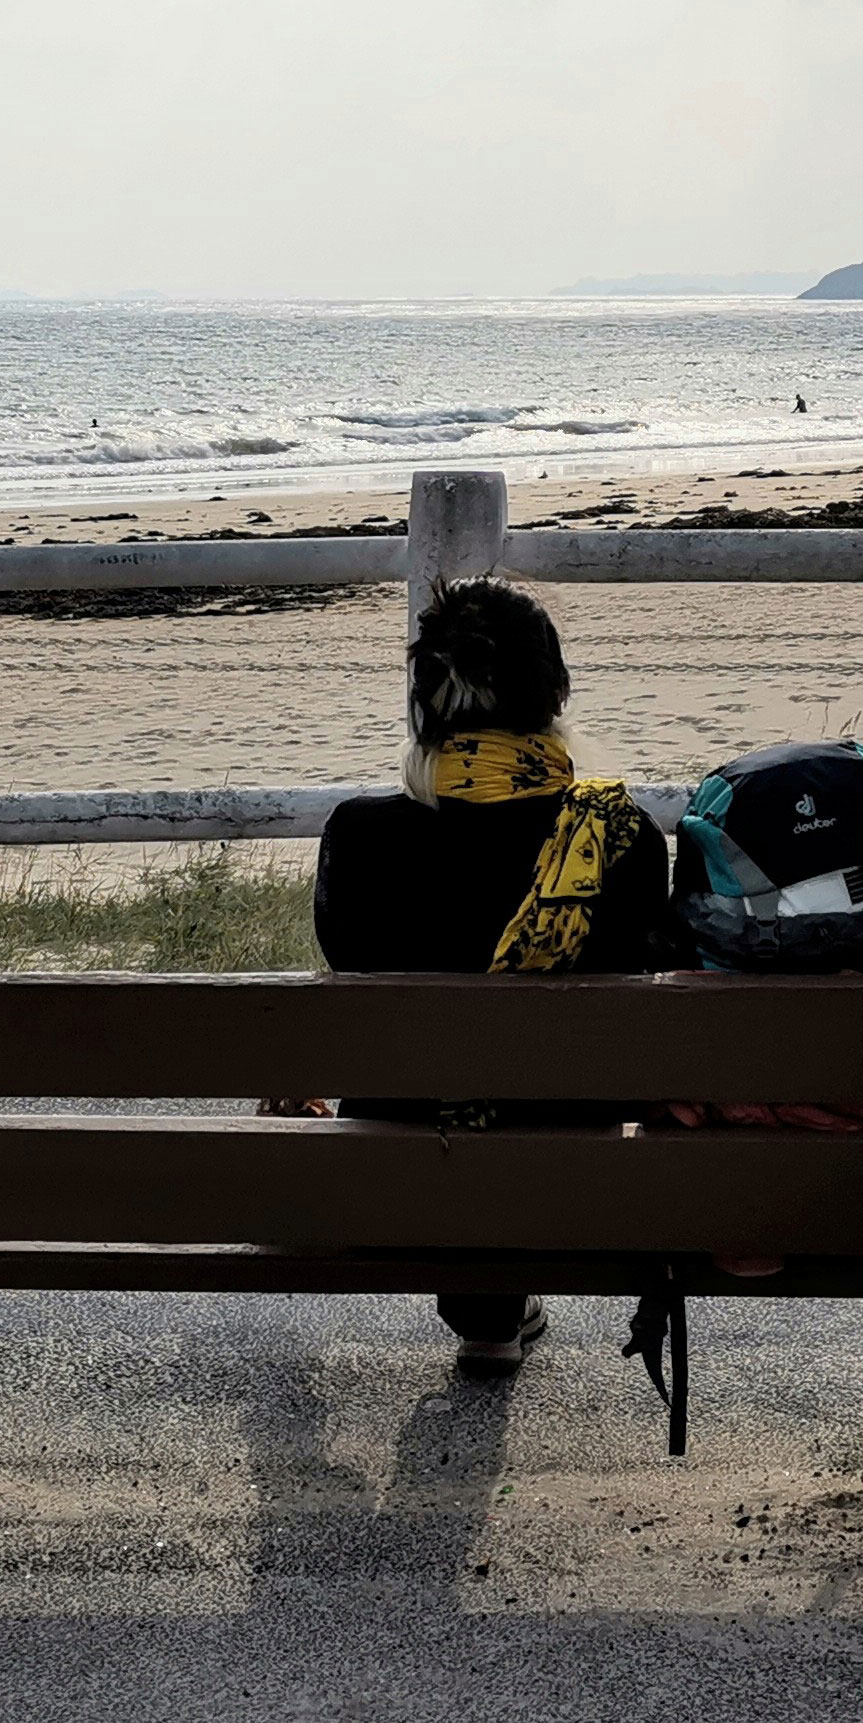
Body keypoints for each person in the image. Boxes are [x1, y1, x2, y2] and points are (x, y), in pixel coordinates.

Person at [311, 577, 669, 1370]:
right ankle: (494, 1299)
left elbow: (347, 962)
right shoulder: (624, 836)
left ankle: (486, 1304)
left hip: (398, 1165)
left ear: (424, 703)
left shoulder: (361, 839)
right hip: (585, 1171)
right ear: (554, 694)